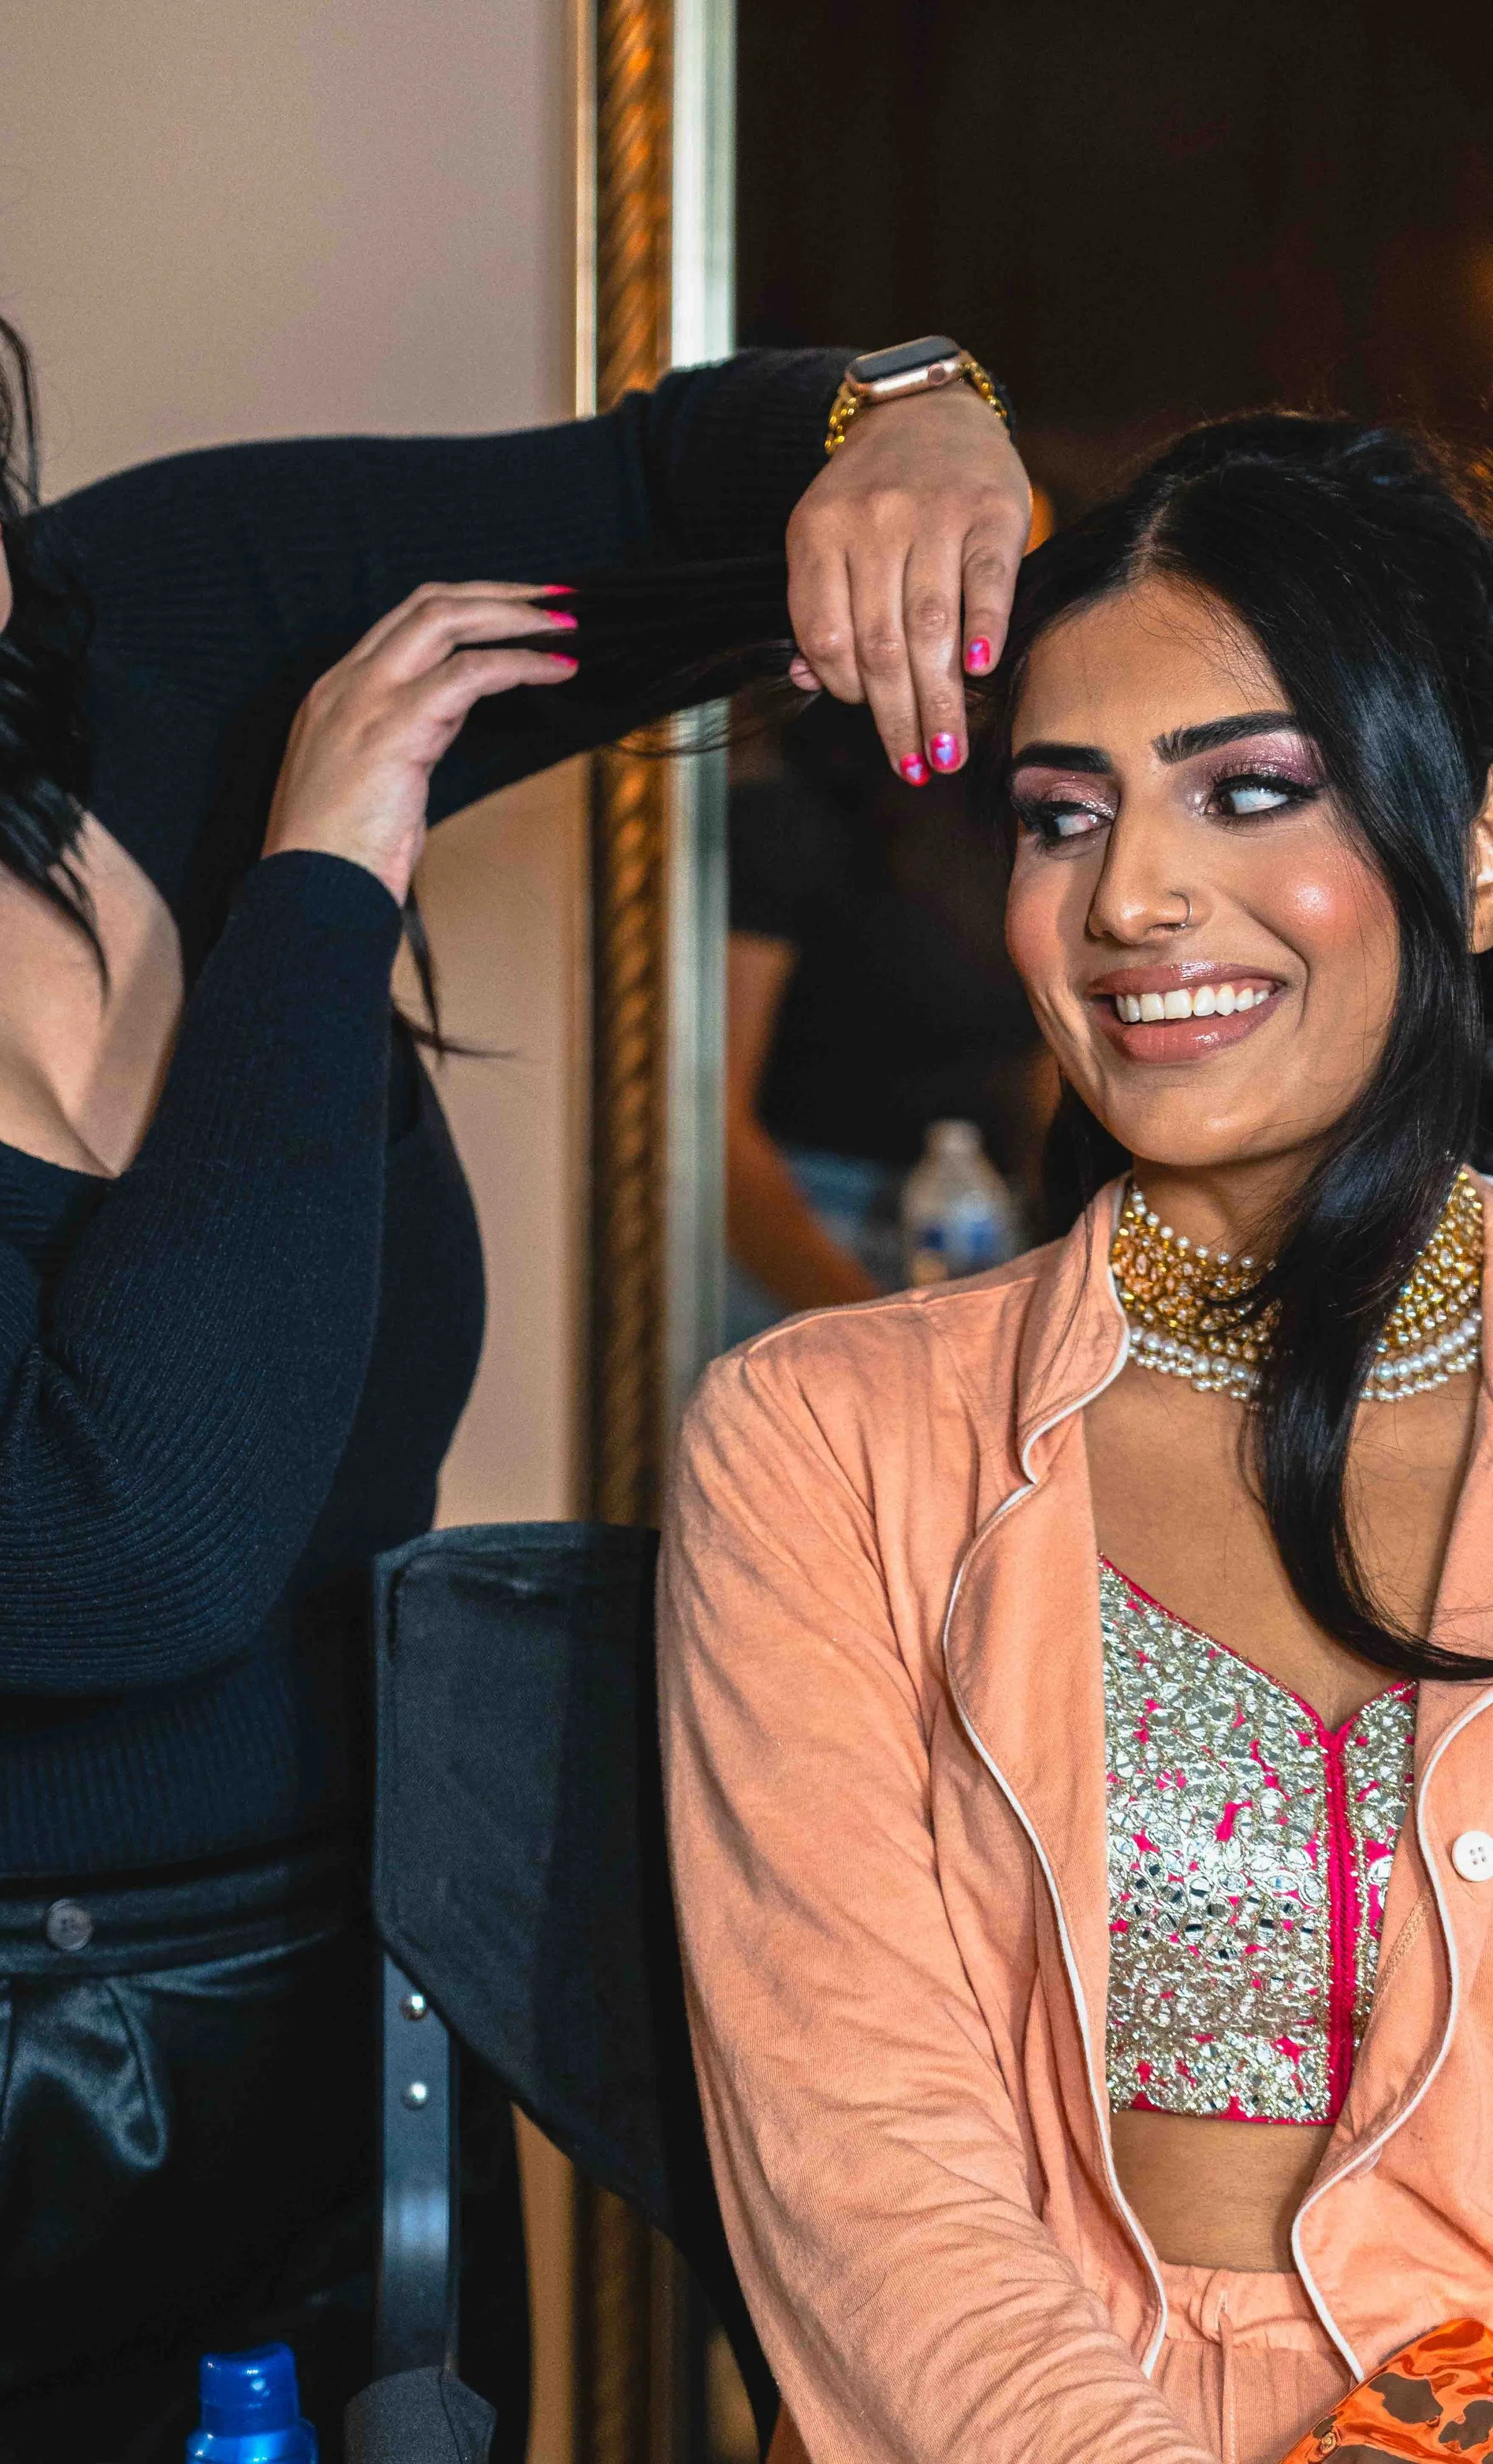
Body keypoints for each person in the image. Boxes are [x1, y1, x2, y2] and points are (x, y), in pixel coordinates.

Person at [0, 39, 1032, 2462]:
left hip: (346, 2048)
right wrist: (322, 881)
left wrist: (909, 417)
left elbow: (689, 489)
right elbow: (120, 1550)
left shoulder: (156, 633)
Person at [661, 412, 1493, 2464]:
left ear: (1471, 846)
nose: (1132, 893)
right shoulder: (822, 1440)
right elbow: (870, 2189)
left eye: (1247, 791)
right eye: (1059, 815)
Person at [723, 692, 1048, 1329]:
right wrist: (873, 1323)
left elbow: (1041, 1070)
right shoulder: (785, 820)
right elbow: (710, 1124)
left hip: (985, 1228)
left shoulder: (1019, 826)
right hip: (809, 1235)